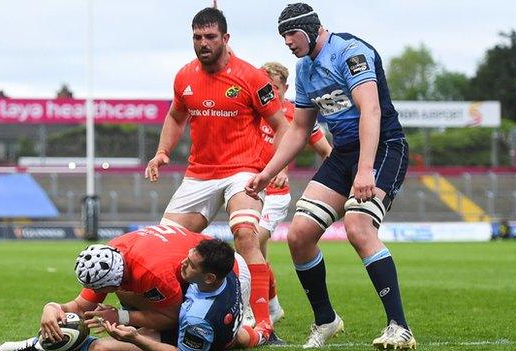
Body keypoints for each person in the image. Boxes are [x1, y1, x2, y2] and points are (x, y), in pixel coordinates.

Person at [246, 3, 416, 349]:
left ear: (310, 29)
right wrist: (268, 172)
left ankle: (400, 327)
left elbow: (371, 110)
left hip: (383, 147)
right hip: (343, 154)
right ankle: (326, 320)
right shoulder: (305, 68)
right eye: (283, 37)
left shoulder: (350, 52)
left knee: (358, 226)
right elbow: (299, 129)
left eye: (291, 34)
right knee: (299, 235)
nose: (288, 43)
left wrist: (366, 168)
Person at [144, 7, 289, 339]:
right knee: (164, 246)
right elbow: (176, 117)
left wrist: (276, 168)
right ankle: (171, 317)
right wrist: (162, 152)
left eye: (210, 37)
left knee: (246, 236)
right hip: (199, 174)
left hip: (243, 171)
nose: (203, 43)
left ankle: (264, 322)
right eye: (197, 37)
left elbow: (282, 127)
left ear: (225, 39)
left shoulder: (252, 77)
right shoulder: (184, 77)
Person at [0, 226, 264, 351]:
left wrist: (125, 321)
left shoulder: (155, 275)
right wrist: (51, 307)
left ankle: (257, 329)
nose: (99, 293)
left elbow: (170, 318)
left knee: (219, 340)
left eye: (103, 289)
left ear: (113, 281)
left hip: (227, 276)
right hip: (206, 262)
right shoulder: (111, 256)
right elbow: (81, 305)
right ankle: (260, 333)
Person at [254, 61, 332, 326]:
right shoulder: (253, 111)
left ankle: (256, 312)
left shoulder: (298, 116)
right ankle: (273, 307)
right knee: (257, 254)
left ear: (285, 88)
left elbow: (327, 153)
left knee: (251, 244)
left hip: (276, 194)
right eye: (266, 87)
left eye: (274, 87)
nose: (270, 92)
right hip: (251, 192)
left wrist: (337, 182)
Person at [102, 239, 274, 350]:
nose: (183, 263)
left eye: (191, 264)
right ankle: (262, 332)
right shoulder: (223, 269)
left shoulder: (198, 319)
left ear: (209, 278)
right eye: (188, 257)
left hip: (203, 332)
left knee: (103, 348)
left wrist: (136, 337)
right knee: (238, 339)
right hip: (225, 324)